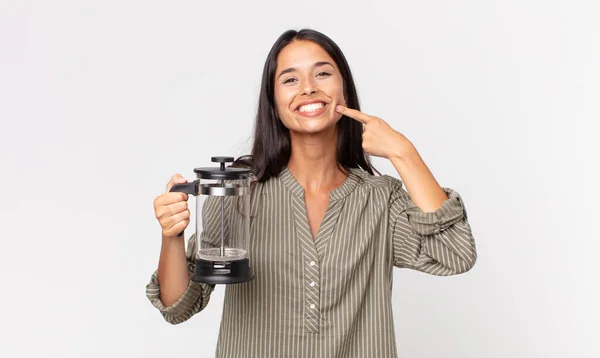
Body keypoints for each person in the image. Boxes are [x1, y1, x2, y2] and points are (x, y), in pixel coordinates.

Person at [147, 28, 477, 358]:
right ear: (274, 103)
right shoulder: (237, 192)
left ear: (343, 90)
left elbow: (455, 253)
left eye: (322, 73)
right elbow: (179, 306)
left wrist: (404, 153)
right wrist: (172, 235)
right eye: (290, 80)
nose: (308, 88)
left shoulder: (381, 200)